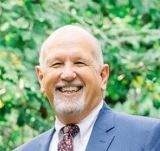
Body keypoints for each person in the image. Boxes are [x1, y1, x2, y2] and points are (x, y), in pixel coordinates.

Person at [15, 25, 160, 151]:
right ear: (41, 78)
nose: (67, 74)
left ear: (103, 76)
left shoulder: (147, 138)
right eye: (57, 64)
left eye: (79, 63)